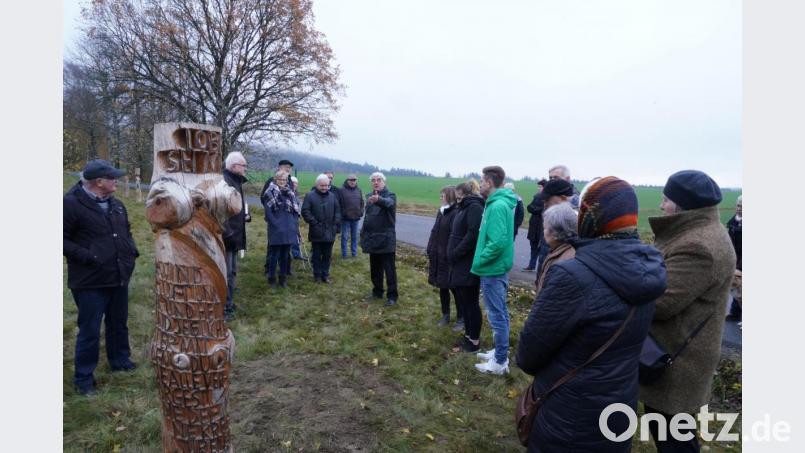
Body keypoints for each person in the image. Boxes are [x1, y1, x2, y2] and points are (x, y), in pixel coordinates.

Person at [516, 176, 666, 453]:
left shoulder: (572, 275)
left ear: (588, 218)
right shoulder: (650, 268)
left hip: (568, 414)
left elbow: (528, 354)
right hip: (619, 407)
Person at [641, 170, 736, 453]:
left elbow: (661, 302)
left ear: (683, 205)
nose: (661, 206)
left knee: (674, 437)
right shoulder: (694, 233)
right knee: (667, 429)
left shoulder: (698, 245)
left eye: (666, 200)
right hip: (676, 351)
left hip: (679, 360)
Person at [64, 159, 140, 395]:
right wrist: (88, 256)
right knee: (89, 329)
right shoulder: (70, 204)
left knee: (118, 322)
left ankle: (120, 361)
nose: (116, 180)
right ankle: (84, 379)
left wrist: (131, 253)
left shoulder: (116, 205)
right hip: (89, 281)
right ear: (99, 182)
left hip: (118, 275)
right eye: (112, 178)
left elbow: (126, 232)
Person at [472, 166, 517, 375]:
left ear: (489, 182)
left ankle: (499, 362)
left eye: (482, 181)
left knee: (497, 315)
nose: (480, 184)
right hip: (494, 268)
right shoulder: (496, 204)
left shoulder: (498, 206)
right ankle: (500, 353)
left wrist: (481, 259)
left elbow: (498, 242)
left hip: (492, 269)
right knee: (500, 313)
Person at [447, 182, 485, 352]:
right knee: (464, 301)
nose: (457, 198)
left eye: (459, 195)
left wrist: (456, 253)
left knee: (471, 303)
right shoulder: (463, 207)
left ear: (465, 194)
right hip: (459, 262)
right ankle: (468, 334)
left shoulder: (474, 208)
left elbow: (472, 235)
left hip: (467, 262)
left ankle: (474, 340)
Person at [360, 172, 398, 306]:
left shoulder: (390, 195)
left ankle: (392, 296)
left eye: (379, 180)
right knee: (375, 268)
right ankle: (377, 291)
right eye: (373, 180)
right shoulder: (369, 196)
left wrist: (378, 199)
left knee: (389, 269)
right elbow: (368, 218)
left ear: (384, 182)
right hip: (372, 238)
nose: (376, 182)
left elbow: (389, 204)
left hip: (386, 239)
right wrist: (363, 234)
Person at [427, 186, 461, 328]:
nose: (441, 197)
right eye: (440, 195)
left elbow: (455, 237)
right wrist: (430, 248)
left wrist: (450, 253)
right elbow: (434, 231)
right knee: (442, 287)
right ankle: (445, 315)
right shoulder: (441, 212)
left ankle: (461, 318)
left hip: (449, 258)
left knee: (455, 289)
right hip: (438, 256)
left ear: (450, 196)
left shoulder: (455, 212)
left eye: (443, 195)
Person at [222, 152, 250, 321]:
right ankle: (224, 308)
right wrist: (229, 233)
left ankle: (229, 303)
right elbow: (220, 212)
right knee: (225, 273)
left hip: (234, 235)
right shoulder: (225, 182)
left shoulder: (236, 181)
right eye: (243, 165)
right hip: (227, 237)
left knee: (232, 272)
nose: (245, 168)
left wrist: (244, 217)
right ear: (233, 166)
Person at [263, 170, 301, 288]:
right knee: (274, 255)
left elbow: (295, 211)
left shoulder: (291, 193)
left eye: (284, 179)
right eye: (280, 179)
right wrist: (276, 224)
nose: (282, 181)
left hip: (289, 228)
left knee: (285, 255)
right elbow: (268, 214)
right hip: (276, 229)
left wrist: (294, 222)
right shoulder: (269, 193)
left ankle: (283, 279)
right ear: (276, 179)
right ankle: (272, 278)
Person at [302, 174, 342, 283]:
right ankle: (317, 276)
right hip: (316, 231)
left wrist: (335, 224)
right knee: (316, 255)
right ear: (317, 185)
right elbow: (305, 211)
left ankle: (325, 275)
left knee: (327, 255)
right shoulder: (310, 196)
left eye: (326, 185)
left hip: (330, 231)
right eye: (322, 186)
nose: (324, 188)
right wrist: (314, 223)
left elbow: (338, 211)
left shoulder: (332, 196)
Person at [534, 202, 577, 296]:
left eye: (545, 228)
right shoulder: (562, 251)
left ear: (555, 232)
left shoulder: (564, 262)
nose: (543, 232)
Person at [523, 179, 547, 271]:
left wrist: (535, 209)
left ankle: (541, 268)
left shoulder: (547, 198)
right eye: (538, 186)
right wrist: (536, 209)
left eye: (540, 186)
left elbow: (536, 209)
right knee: (533, 247)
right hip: (534, 225)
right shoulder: (536, 196)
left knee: (541, 249)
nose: (538, 188)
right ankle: (531, 265)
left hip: (541, 226)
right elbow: (529, 207)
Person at [338, 174, 364, 258]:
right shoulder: (341, 190)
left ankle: (354, 254)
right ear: (347, 180)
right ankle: (344, 255)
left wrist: (361, 211)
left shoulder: (359, 190)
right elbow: (338, 204)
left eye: (354, 180)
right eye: (351, 180)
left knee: (355, 236)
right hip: (345, 218)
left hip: (356, 218)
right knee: (345, 237)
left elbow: (362, 203)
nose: (353, 182)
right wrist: (343, 213)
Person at [726, 195, 742, 321]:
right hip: (735, 259)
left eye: (742, 206)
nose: (739, 208)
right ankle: (734, 313)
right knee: (736, 290)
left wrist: (740, 267)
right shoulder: (733, 223)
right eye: (738, 205)